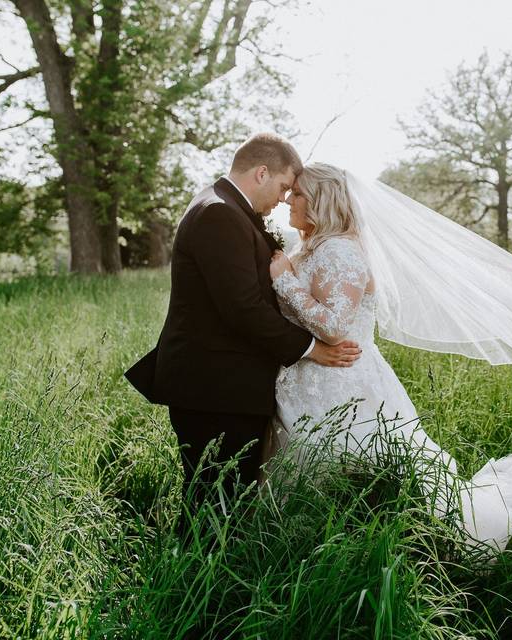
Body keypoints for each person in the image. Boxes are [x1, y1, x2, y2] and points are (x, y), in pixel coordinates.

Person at [266, 162, 512, 552]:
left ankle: (413, 542)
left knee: (366, 472)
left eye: (297, 194)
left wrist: (283, 280)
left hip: (345, 384)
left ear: (320, 201)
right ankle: (311, 546)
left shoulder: (342, 251)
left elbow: (333, 326)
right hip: (313, 381)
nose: (288, 202)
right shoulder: (310, 247)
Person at [124, 135, 361, 527]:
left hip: (222, 386)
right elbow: (242, 308)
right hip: (214, 388)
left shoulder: (225, 207)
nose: (284, 199)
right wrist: (310, 348)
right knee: (215, 503)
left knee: (223, 500)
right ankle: (199, 584)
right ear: (261, 172)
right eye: (284, 186)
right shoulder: (219, 213)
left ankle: (208, 578)